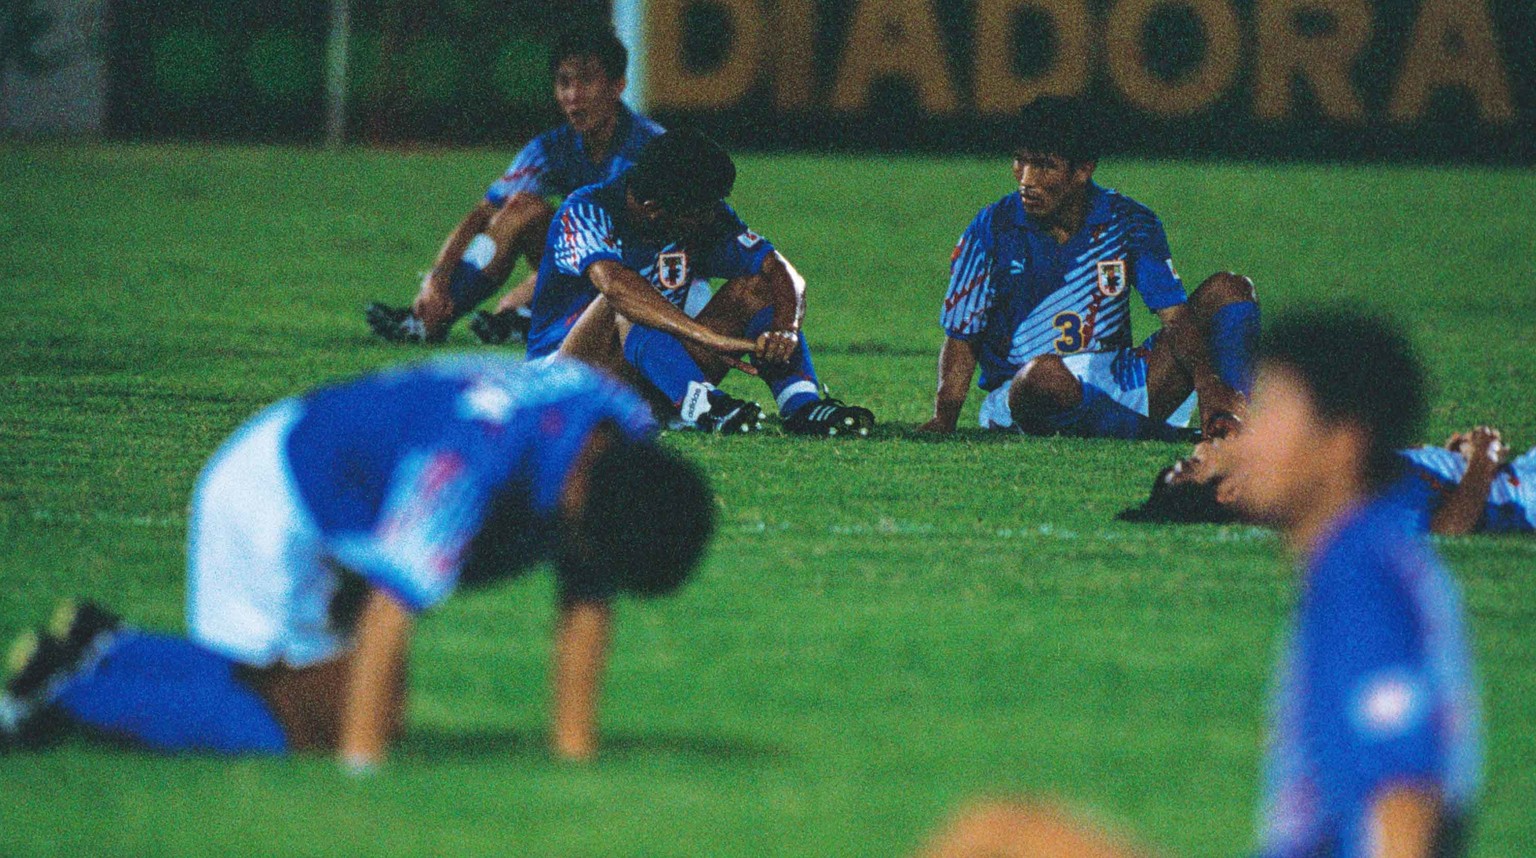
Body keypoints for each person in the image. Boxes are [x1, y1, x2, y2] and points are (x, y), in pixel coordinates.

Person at [920, 310, 1481, 858]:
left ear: (1341, 444)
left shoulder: (1363, 580)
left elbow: (1406, 807)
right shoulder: (1359, 560)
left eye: (1273, 414)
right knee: (1005, 830)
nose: (1246, 440)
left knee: (999, 835)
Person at [0, 357, 715, 770]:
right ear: (585, 497)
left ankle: (102, 645)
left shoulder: (616, 434)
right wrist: (362, 773)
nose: (584, 566)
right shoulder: (470, 462)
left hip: (339, 495)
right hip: (280, 499)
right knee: (300, 731)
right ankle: (59, 690)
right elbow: (389, 609)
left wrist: (573, 753)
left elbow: (586, 597)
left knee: (352, 704)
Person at [918, 97, 1259, 439]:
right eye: (1020, 161)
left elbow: (1176, 318)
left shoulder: (1129, 222)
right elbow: (963, 334)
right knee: (1042, 375)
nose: (1026, 179)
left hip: (1119, 377)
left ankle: (1233, 423)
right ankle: (1171, 437)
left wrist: (1208, 382)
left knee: (1230, 290)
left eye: (1044, 166)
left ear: (1082, 170)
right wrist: (944, 417)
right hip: (1025, 391)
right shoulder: (992, 228)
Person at [531, 128, 876, 436]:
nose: (713, 217)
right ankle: (703, 405)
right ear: (653, 209)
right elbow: (616, 287)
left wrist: (786, 328)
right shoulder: (586, 210)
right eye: (701, 210)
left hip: (654, 373)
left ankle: (801, 406)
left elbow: (781, 270)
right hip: (564, 386)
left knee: (756, 288)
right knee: (626, 302)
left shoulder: (699, 217)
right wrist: (707, 337)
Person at [365, 24, 664, 345]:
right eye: (564, 82)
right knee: (521, 207)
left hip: (644, 274)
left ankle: (530, 317)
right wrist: (437, 280)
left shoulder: (650, 147)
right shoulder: (551, 149)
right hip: (586, 266)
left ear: (618, 86)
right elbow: (483, 212)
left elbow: (632, 241)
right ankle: (429, 319)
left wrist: (530, 288)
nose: (573, 95)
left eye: (587, 81)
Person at [1122, 423, 1531, 536]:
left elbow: (1415, 484)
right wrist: (1483, 459)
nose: (1201, 448)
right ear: (1229, 490)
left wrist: (1452, 457)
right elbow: (1450, 527)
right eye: (1195, 464)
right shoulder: (1329, 509)